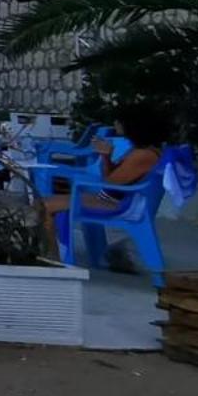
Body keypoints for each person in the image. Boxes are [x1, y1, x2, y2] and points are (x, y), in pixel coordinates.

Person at [42, 102, 166, 270]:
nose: (116, 124)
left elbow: (110, 182)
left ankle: (55, 259)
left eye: (119, 121)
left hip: (118, 205)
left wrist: (105, 159)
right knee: (44, 203)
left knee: (44, 206)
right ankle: (54, 256)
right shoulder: (139, 151)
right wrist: (105, 157)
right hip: (113, 199)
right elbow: (111, 178)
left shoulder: (143, 155)